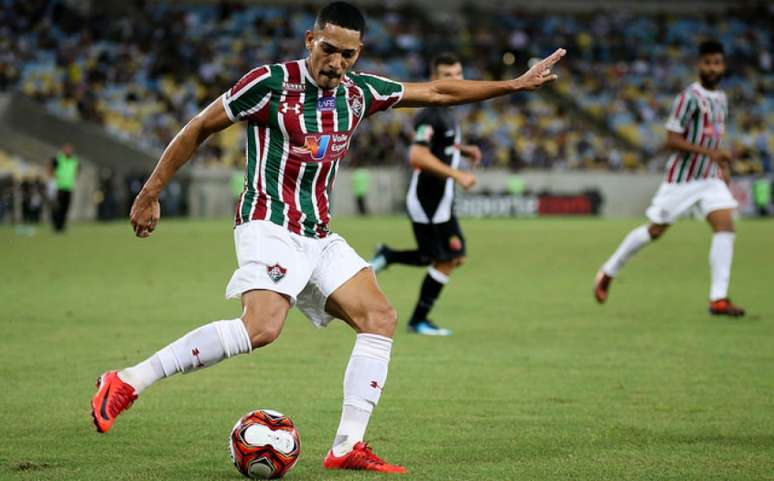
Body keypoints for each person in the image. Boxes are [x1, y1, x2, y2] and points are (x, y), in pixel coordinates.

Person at [90, 1, 565, 473]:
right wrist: (150, 192)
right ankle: (128, 380)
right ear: (309, 42)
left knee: (379, 317)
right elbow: (199, 127)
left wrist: (515, 85)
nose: (336, 63)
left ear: (359, 53)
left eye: (348, 54)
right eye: (328, 49)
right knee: (262, 328)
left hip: (317, 233)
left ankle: (346, 446)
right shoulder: (269, 84)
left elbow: (439, 91)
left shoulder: (359, 93)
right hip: (268, 223)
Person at [594, 40, 744, 317]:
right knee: (655, 231)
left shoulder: (721, 98)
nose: (713, 68)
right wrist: (711, 153)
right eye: (708, 62)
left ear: (723, 66)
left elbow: (715, 136)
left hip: (709, 178)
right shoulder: (689, 98)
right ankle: (608, 271)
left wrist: (721, 166)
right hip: (682, 180)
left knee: (725, 226)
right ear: (699, 65)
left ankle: (718, 299)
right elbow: (672, 140)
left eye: (718, 63)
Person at [369, 53, 481, 336]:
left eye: (458, 74)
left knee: (448, 257)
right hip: (428, 201)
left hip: (441, 200)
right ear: (435, 78)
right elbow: (417, 154)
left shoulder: (449, 109)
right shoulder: (430, 112)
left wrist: (462, 149)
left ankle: (389, 256)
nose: (455, 79)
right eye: (448, 75)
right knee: (445, 258)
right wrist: (458, 174)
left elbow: (440, 145)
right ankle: (418, 320)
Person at [50, 144, 79, 232]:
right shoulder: (58, 159)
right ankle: (56, 226)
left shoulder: (75, 160)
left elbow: (77, 170)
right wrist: (54, 179)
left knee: (66, 208)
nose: (68, 151)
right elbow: (51, 168)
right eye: (67, 149)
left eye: (70, 149)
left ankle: (62, 226)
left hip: (69, 187)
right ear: (63, 150)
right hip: (59, 187)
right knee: (58, 207)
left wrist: (74, 179)